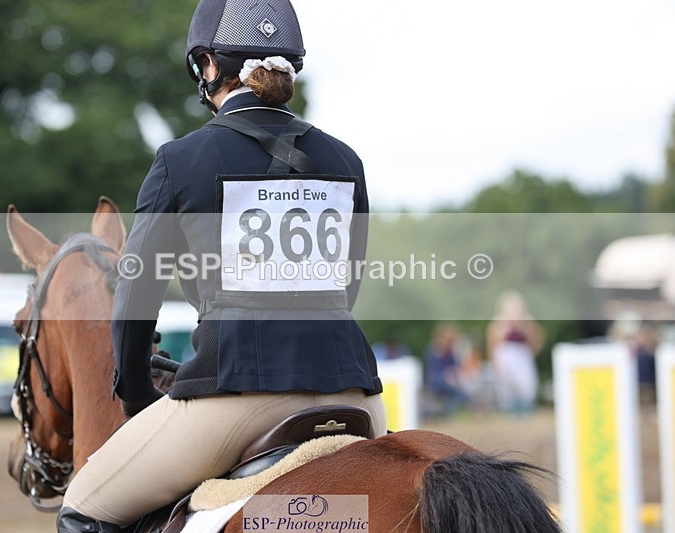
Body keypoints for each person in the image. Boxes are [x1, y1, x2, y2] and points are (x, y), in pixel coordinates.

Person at [56, 1, 386, 531]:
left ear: (209, 66)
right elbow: (346, 287)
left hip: (238, 392)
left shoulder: (181, 159)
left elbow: (136, 298)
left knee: (84, 507)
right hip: (356, 397)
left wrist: (138, 388)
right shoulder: (345, 161)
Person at [486, 291, 544, 414]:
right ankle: (509, 411)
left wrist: (530, 353)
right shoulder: (498, 324)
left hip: (522, 358)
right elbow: (492, 344)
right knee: (506, 388)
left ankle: (525, 410)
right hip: (505, 358)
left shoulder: (527, 322)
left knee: (526, 386)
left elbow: (537, 340)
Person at [423, 325, 468, 417]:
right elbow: (433, 371)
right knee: (457, 392)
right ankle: (449, 414)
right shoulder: (434, 351)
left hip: (448, 381)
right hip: (435, 381)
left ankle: (451, 413)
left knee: (460, 390)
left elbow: (456, 367)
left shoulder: (450, 353)